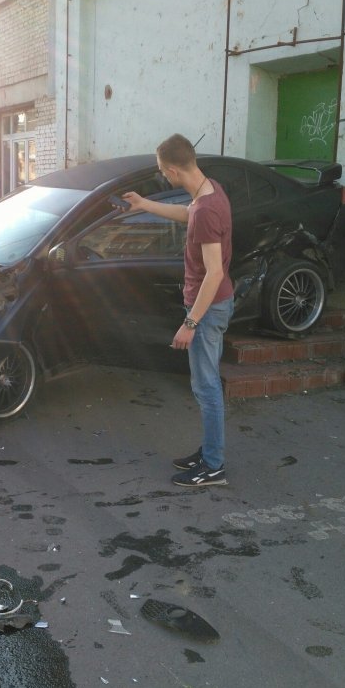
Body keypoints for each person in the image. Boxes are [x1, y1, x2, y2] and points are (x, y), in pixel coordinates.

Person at [121, 134, 234, 487]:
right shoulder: (209, 190)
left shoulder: (206, 208)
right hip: (211, 305)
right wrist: (145, 204)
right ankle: (209, 452)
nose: (162, 177)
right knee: (205, 384)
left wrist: (190, 322)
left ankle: (213, 465)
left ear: (172, 169)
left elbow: (214, 273)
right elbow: (188, 215)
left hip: (208, 309)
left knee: (207, 386)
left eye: (161, 172)